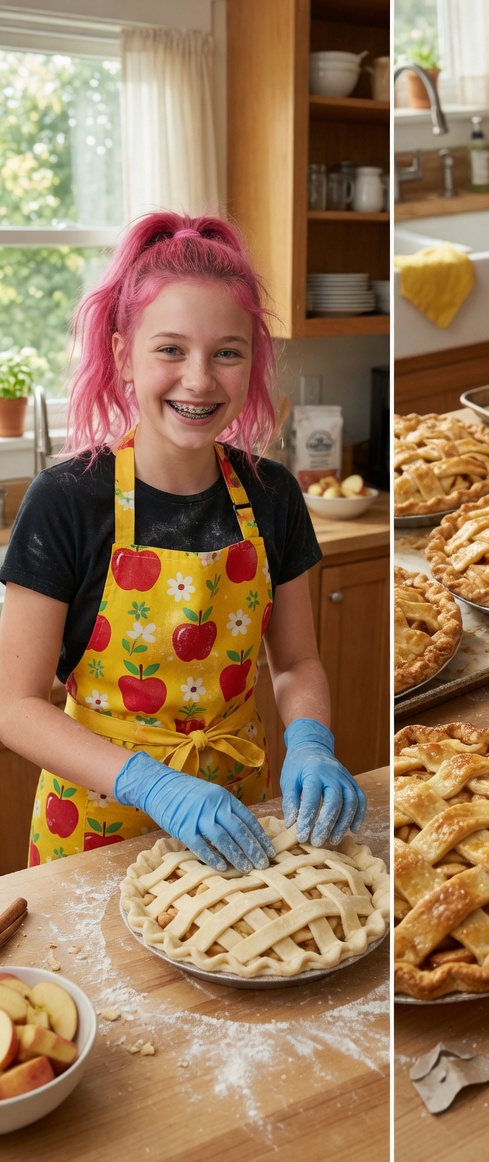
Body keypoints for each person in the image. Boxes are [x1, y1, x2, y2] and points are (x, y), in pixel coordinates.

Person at [0, 210, 366, 872]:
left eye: (227, 352)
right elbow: (13, 705)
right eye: (170, 349)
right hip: (95, 834)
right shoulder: (66, 502)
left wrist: (311, 739)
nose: (199, 380)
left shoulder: (272, 494)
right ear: (123, 356)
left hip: (236, 826)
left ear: (252, 360)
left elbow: (295, 663)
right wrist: (151, 783)